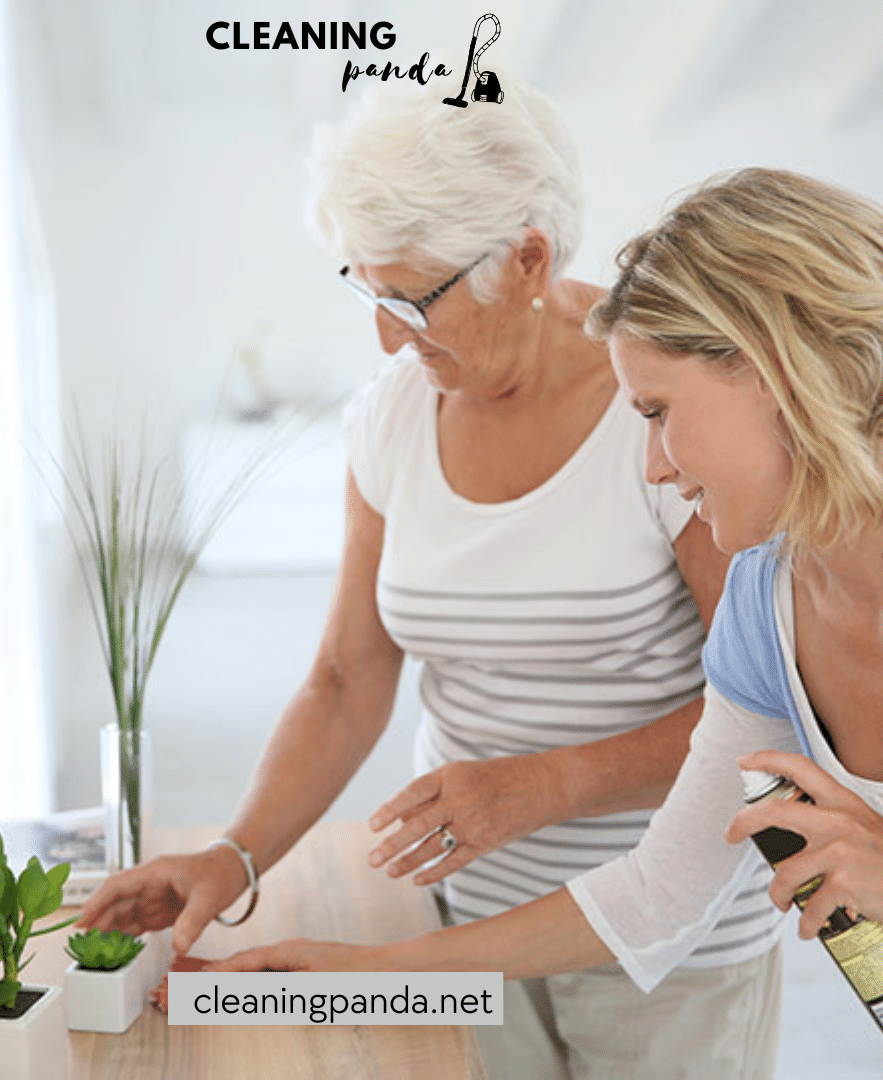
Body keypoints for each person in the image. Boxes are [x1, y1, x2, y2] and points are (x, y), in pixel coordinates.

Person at [78, 82, 778, 1077]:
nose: (387, 337)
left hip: (674, 940)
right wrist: (234, 855)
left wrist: (545, 785)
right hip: (466, 914)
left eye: (410, 298)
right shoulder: (394, 415)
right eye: (368, 293)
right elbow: (345, 676)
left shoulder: (662, 420)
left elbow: (757, 712)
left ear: (527, 260)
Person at [212, 167, 883, 1077]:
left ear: (767, 372)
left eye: (657, 413)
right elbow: (656, 893)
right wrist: (373, 973)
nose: (652, 465)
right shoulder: (766, 611)